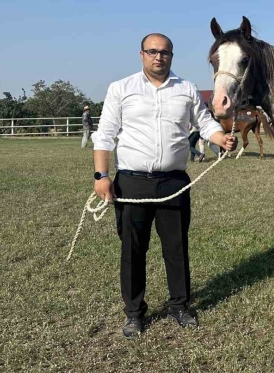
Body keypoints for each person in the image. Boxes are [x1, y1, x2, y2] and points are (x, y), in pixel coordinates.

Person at [92, 32, 238, 339]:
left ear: (172, 56)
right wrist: (101, 176)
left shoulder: (185, 89)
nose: (159, 57)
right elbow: (104, 134)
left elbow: (205, 122)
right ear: (142, 54)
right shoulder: (121, 89)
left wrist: (219, 138)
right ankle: (134, 313)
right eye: (153, 51)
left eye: (165, 52)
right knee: (133, 250)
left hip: (174, 182)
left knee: (176, 248)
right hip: (132, 182)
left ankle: (180, 306)